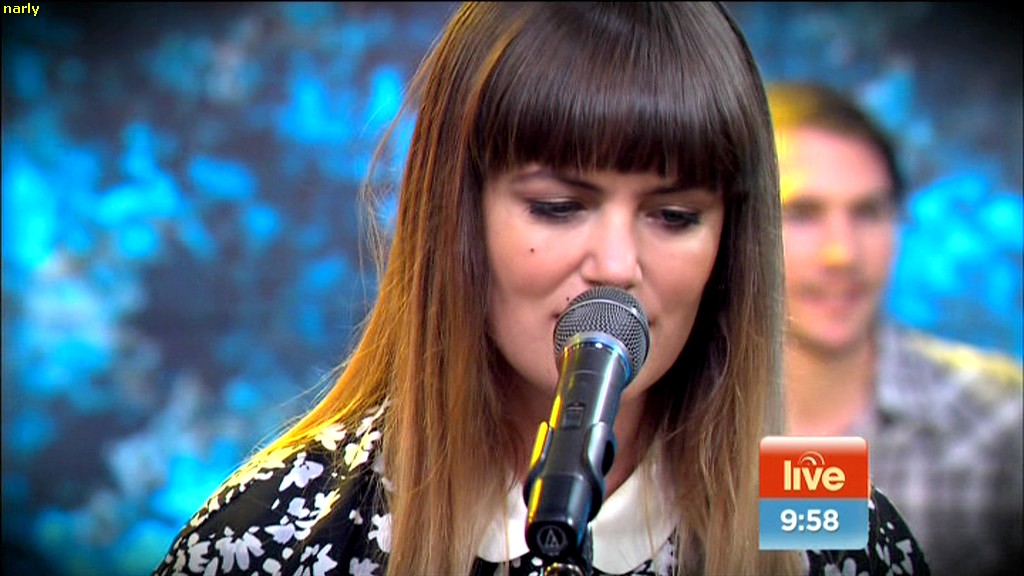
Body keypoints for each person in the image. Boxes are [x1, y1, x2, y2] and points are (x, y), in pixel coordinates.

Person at [154, 5, 930, 575]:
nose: (617, 265)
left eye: (674, 215)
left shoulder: (829, 520)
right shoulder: (273, 533)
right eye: (559, 206)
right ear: (458, 215)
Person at [767, 80, 1023, 576]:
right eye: (802, 214)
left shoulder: (1003, 425)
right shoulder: (659, 430)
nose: (842, 253)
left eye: (868, 212)